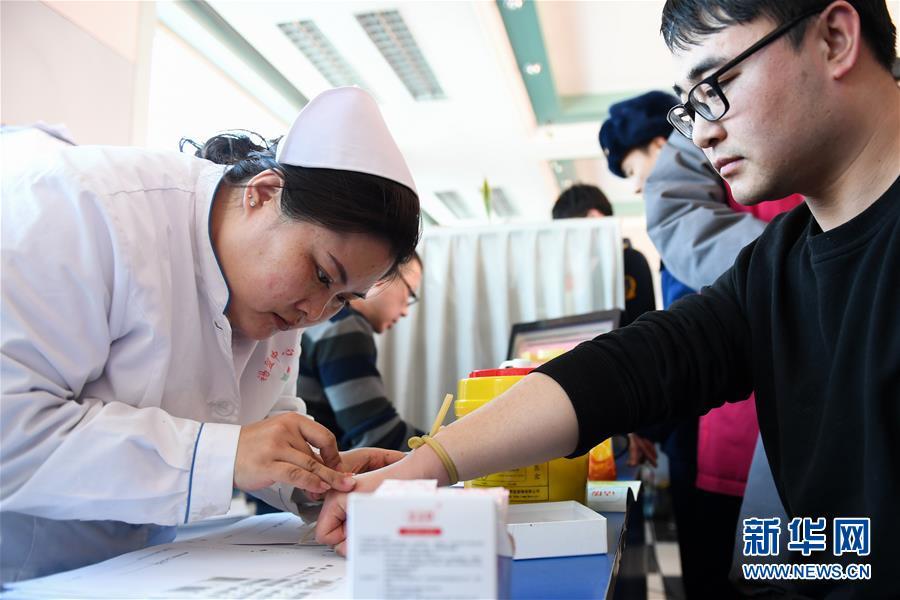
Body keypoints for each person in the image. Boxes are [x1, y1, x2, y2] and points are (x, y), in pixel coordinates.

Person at [317, 3, 899, 597]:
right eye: (691, 106)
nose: (702, 133)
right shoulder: (778, 261)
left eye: (718, 84)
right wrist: (423, 465)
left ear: (834, 39)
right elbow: (632, 367)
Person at [0, 87, 420, 582]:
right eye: (323, 274)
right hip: (22, 569)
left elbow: (258, 416)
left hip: (131, 571)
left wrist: (317, 478)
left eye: (343, 299)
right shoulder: (83, 209)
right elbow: (12, 431)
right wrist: (222, 455)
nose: (314, 313)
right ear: (264, 194)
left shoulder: (276, 292)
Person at [300, 254, 424, 451]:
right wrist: (447, 446)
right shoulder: (344, 327)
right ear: (381, 275)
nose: (405, 312)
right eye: (409, 294)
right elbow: (379, 436)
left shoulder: (326, 321)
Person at [552, 184, 656, 326]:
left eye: (573, 232)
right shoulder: (566, 270)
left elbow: (643, 322)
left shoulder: (631, 261)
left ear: (594, 217)